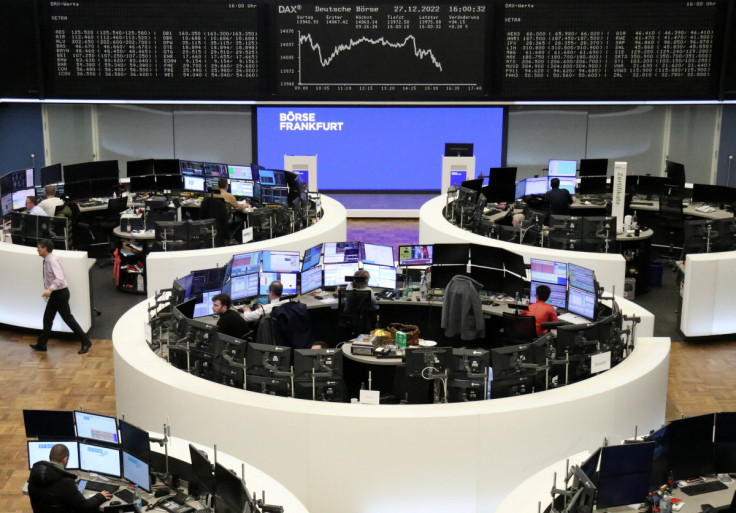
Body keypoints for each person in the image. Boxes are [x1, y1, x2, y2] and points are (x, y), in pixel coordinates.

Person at [30, 239, 93, 354]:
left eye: (39, 247)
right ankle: (42, 344)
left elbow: (59, 278)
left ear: (45, 249)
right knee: (48, 319)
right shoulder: (48, 260)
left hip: (59, 294)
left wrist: (50, 289)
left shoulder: (52, 261)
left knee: (68, 319)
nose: (37, 249)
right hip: (57, 294)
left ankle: (86, 341)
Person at [28, 443, 111, 513]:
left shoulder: (33, 477)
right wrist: (100, 496)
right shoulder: (65, 482)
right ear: (65, 459)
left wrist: (72, 491)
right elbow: (84, 507)